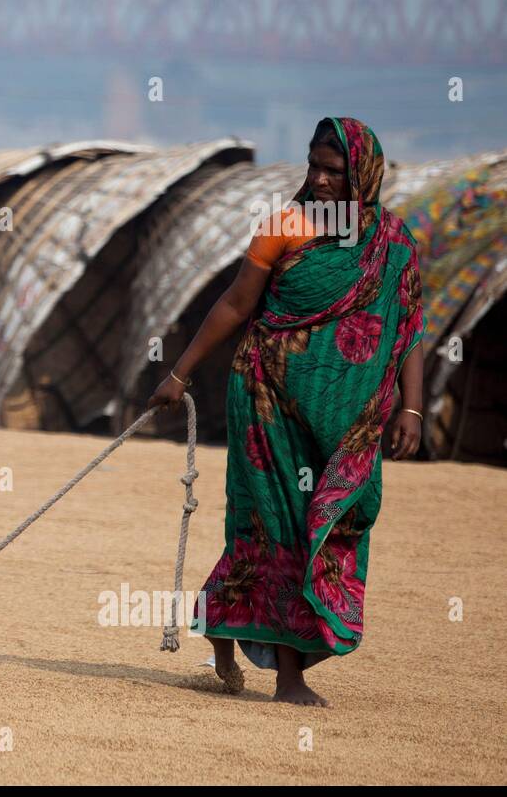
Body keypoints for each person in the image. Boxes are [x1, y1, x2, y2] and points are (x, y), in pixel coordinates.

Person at [148, 117, 425, 706]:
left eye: (335, 171)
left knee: (327, 524)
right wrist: (179, 372)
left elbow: (408, 331)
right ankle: (289, 677)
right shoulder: (283, 228)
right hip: (265, 401)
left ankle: (223, 625)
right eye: (314, 166)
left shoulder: (393, 244)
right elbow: (236, 304)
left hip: (345, 422)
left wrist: (414, 408)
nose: (320, 181)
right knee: (276, 528)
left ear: (365, 176)